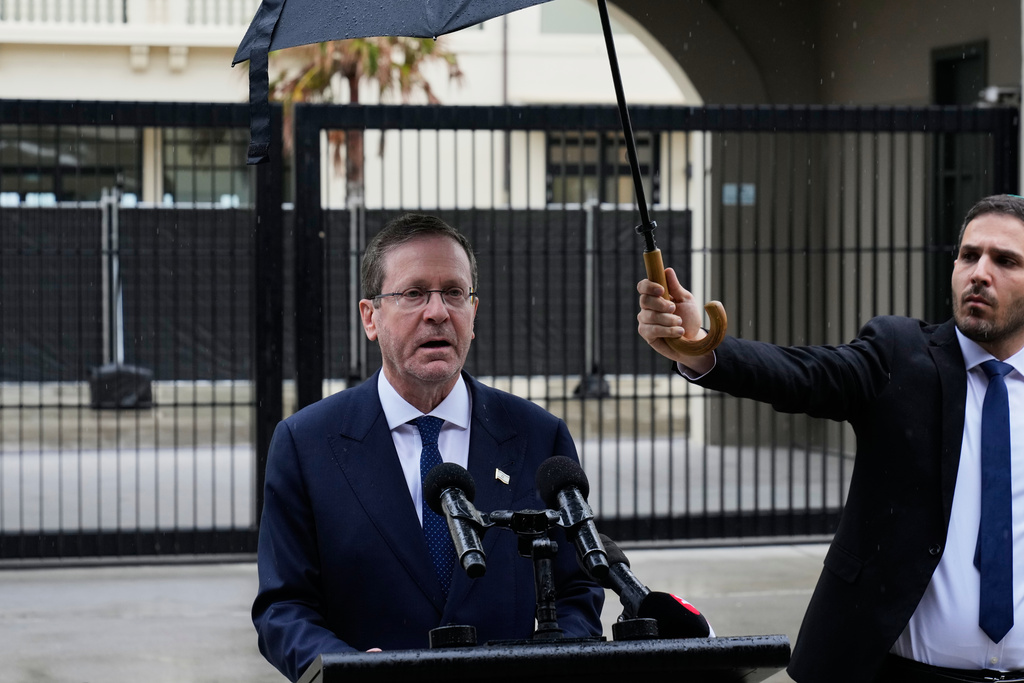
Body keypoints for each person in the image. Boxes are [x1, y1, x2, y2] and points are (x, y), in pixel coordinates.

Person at [636, 194, 1024, 682]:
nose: (979, 273)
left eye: (1005, 260)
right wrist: (700, 348)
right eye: (970, 256)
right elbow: (804, 375)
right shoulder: (901, 355)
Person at [253, 214, 604, 681]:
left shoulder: (538, 436)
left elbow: (577, 588)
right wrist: (347, 670)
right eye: (414, 293)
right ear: (370, 317)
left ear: (473, 314)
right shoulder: (306, 443)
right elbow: (283, 607)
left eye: (454, 293)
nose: (437, 311)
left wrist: (553, 662)